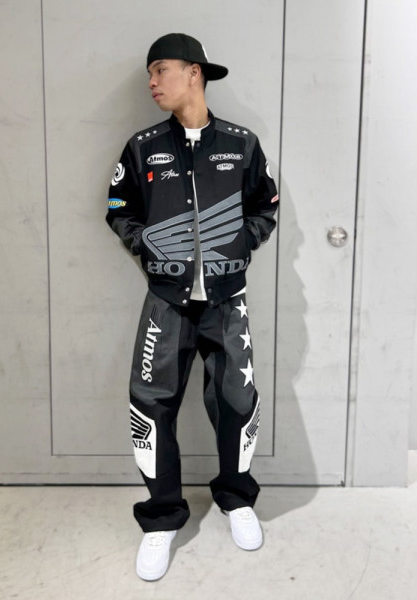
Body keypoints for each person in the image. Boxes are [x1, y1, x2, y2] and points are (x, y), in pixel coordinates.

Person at [106, 33, 279, 581]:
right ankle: (161, 518)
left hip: (227, 303)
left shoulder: (241, 144)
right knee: (151, 406)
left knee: (237, 402)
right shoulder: (142, 147)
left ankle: (237, 500)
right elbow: (118, 208)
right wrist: (146, 245)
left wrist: (243, 241)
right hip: (166, 303)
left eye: (160, 69)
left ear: (194, 72)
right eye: (149, 73)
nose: (152, 82)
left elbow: (266, 206)